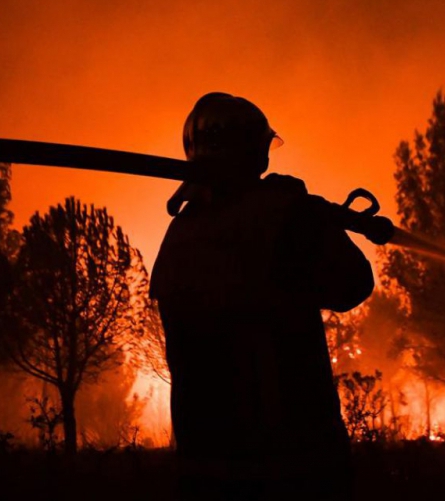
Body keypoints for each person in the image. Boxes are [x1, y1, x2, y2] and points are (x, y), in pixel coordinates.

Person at [150, 93, 374, 500]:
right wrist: (307, 217)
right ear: (254, 151)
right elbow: (352, 284)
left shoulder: (182, 233)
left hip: (204, 464)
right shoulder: (280, 219)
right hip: (290, 466)